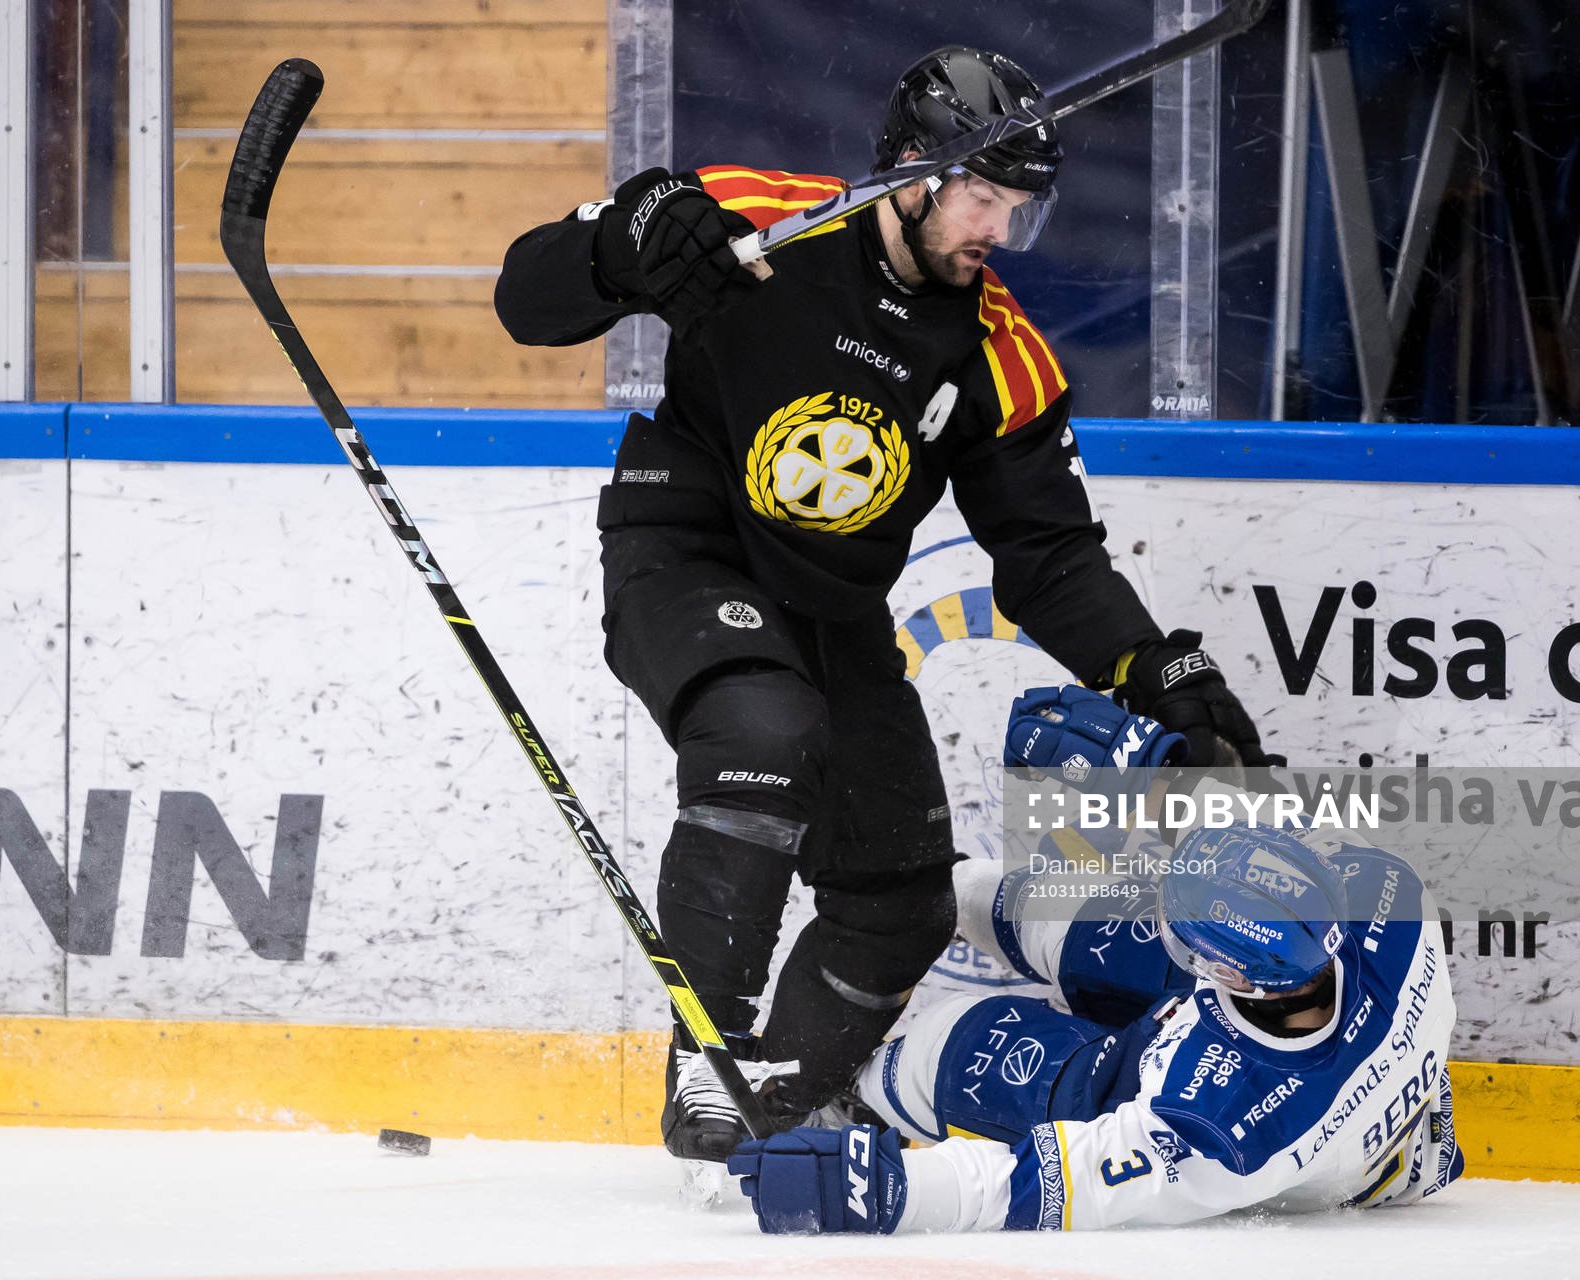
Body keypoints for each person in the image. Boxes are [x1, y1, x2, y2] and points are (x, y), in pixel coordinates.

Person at [493, 46, 1277, 1164]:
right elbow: (527, 298)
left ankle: (771, 1116)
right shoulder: (761, 224)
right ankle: (714, 1059)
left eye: (1019, 208)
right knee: (762, 734)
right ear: (913, 170)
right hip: (686, 546)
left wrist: (1156, 669)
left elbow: (1050, 557)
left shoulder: (1001, 353)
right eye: (982, 196)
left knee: (900, 895)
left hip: (828, 614)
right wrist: (626, 235)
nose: (999, 230)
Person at [727, 687, 1462, 1232]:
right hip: (1334, 1059)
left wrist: (881, 1189)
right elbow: (1270, 835)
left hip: (1298, 1140)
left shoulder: (1216, 1133)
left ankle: (849, 1092)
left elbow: (1036, 1183)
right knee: (1072, 919)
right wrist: (1152, 770)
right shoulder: (1385, 900)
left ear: (1228, 978)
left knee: (958, 1046)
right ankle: (925, 895)